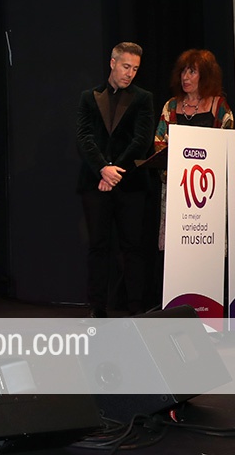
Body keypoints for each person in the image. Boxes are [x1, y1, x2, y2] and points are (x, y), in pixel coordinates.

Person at [76, 42, 154, 317]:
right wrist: (102, 169)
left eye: (135, 69)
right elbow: (84, 137)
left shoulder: (143, 98)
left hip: (130, 183)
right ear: (112, 63)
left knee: (132, 247)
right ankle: (97, 307)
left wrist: (114, 172)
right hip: (94, 183)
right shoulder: (89, 97)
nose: (130, 73)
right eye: (126, 66)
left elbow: (142, 140)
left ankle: (135, 308)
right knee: (98, 246)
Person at [153, 48, 235, 249]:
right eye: (183, 71)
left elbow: (228, 144)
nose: (185, 77)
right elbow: (159, 142)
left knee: (208, 245)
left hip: (210, 189)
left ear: (205, 76)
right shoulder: (171, 106)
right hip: (177, 188)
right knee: (179, 247)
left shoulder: (219, 106)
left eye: (192, 72)